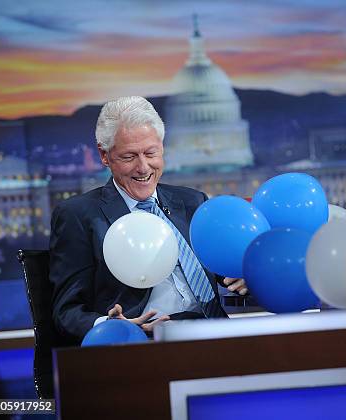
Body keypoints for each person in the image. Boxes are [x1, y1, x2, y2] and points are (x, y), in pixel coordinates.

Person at [49, 96, 247, 344]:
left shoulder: (193, 202)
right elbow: (66, 312)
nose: (143, 168)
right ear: (104, 155)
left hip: (214, 336)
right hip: (143, 346)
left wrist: (242, 275)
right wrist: (112, 326)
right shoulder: (78, 215)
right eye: (129, 157)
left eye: (150, 153)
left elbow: (225, 274)